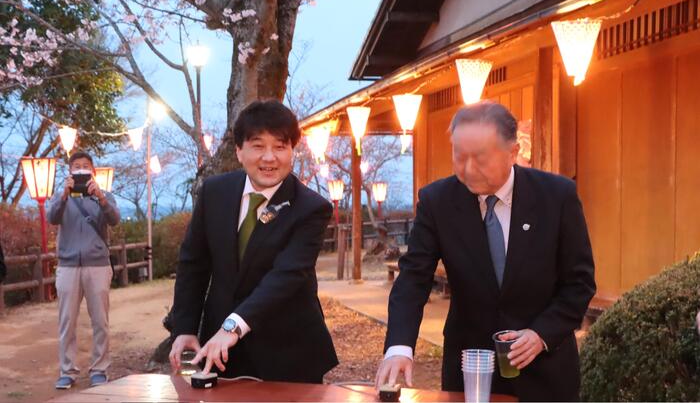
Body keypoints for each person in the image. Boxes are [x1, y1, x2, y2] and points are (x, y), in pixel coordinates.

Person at [375, 101, 596, 401]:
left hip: (545, 369)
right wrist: (399, 347)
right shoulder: (438, 201)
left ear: (513, 153)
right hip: (470, 367)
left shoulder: (556, 197)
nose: (467, 170)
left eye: (480, 159)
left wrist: (541, 334)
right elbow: (414, 278)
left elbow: (579, 284)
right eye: (459, 156)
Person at [169, 100, 337, 383]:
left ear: (292, 152)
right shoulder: (214, 192)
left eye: (280, 146)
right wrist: (184, 327)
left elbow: (288, 275)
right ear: (239, 151)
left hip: (289, 350)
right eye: (258, 146)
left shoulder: (311, 207)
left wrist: (233, 326)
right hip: (220, 351)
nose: (269, 158)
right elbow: (193, 263)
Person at [47, 151, 121, 389]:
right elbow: (52, 217)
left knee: (100, 321)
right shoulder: (62, 197)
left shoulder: (105, 195)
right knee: (67, 321)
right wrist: (64, 196)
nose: (80, 169)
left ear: (93, 171)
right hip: (68, 266)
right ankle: (67, 371)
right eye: (76, 166)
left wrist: (100, 198)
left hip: (97, 264)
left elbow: (115, 219)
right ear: (69, 172)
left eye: (85, 166)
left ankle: (99, 368)